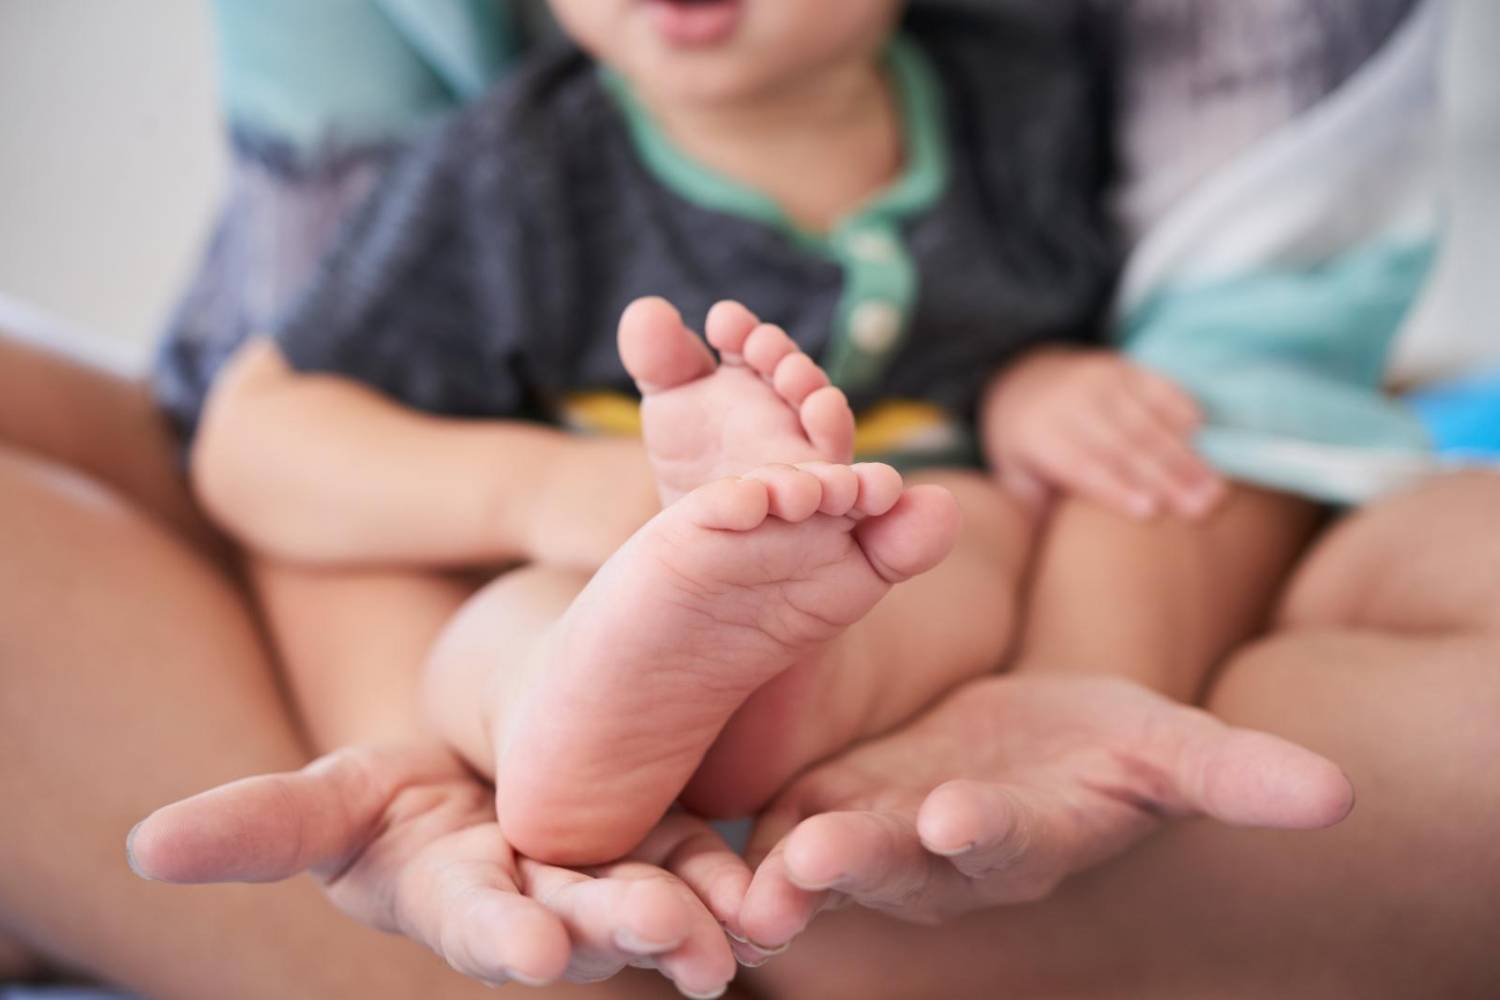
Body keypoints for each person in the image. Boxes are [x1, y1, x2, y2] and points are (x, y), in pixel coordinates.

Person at [5, 3, 1497, 999]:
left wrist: (1050, 381)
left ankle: (767, 720)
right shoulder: (511, 170)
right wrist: (544, 488)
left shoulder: (1016, 110)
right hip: (572, 554)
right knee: (516, 627)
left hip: (910, 560)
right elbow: (264, 440)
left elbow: (1118, 331)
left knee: (958, 534)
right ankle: (571, 742)